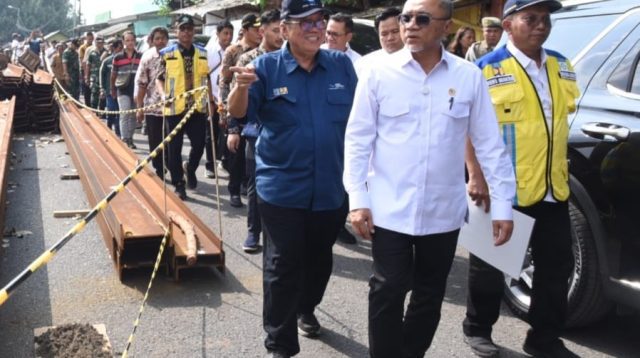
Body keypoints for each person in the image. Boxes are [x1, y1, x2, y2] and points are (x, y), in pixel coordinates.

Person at [343, 0, 517, 356]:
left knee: (429, 294)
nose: (409, 25)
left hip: (443, 212)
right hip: (389, 208)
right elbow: (357, 139)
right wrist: (357, 200)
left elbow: (489, 144)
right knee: (388, 287)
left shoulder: (467, 77)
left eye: (422, 19)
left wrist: (503, 205)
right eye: (406, 17)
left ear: (446, 27)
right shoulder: (378, 72)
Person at [227, 0, 357, 355]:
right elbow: (239, 112)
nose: (316, 29)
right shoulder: (265, 67)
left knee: (319, 262)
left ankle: (306, 307)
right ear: (284, 29)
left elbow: (363, 121)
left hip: (331, 188)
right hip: (281, 187)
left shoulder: (341, 66)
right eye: (305, 23)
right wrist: (239, 87)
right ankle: (280, 343)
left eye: (320, 21)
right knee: (283, 265)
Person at [462, 1, 580, 357]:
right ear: (509, 25)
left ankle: (544, 337)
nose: (540, 26)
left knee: (556, 266)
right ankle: (477, 328)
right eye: (531, 19)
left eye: (545, 20)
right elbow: (466, 128)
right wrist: (475, 176)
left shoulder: (561, 64)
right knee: (489, 264)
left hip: (551, 186)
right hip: (503, 188)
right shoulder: (485, 68)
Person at [226, 9, 284, 253]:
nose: (281, 35)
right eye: (275, 30)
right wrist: (232, 129)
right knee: (255, 183)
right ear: (262, 31)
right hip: (255, 132)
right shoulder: (249, 60)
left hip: (284, 133)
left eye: (283, 30)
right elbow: (234, 98)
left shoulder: (289, 59)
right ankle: (253, 232)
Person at [156, 14, 213, 200]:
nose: (186, 32)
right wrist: (163, 95)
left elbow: (208, 78)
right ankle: (179, 183)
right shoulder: (167, 53)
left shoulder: (203, 53)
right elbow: (159, 77)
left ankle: (191, 167)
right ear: (176, 31)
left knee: (199, 144)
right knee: (174, 149)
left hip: (197, 107)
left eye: (189, 28)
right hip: (174, 107)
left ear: (194, 31)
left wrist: (211, 101)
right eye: (182, 28)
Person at [219, 13, 262, 208]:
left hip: (257, 109)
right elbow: (225, 81)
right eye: (255, 29)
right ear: (244, 30)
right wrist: (227, 114)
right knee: (236, 155)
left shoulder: (264, 51)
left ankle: (247, 183)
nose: (259, 33)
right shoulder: (234, 51)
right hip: (237, 107)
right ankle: (234, 190)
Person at [136, 27, 169, 178]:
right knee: (155, 141)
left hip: (172, 107)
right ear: (152, 40)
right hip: (152, 107)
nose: (160, 41)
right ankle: (159, 168)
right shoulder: (147, 58)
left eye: (163, 38)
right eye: (157, 38)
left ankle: (171, 165)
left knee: (171, 141)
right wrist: (139, 108)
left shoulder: (174, 55)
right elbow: (142, 84)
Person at [204, 20, 234, 179]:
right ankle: (209, 165)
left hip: (228, 100)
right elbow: (205, 77)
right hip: (213, 99)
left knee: (227, 131)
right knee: (211, 133)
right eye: (225, 34)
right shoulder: (209, 51)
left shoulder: (234, 50)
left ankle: (224, 161)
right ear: (217, 34)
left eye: (230, 34)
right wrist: (211, 100)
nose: (228, 37)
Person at [111, 31, 141, 149]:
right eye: (127, 40)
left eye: (132, 40)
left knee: (133, 115)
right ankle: (125, 138)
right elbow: (113, 75)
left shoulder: (140, 56)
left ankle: (130, 138)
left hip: (136, 90)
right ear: (123, 42)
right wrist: (112, 89)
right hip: (122, 89)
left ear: (135, 41)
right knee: (124, 113)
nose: (130, 43)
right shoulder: (117, 57)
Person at [101, 38, 123, 137]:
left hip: (121, 90)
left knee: (120, 112)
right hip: (109, 91)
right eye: (119, 48)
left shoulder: (124, 60)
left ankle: (118, 133)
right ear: (114, 48)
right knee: (111, 111)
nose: (121, 49)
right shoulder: (107, 61)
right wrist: (102, 89)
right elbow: (102, 75)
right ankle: (109, 128)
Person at [86, 35, 107, 109]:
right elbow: (88, 65)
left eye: (101, 43)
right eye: (98, 43)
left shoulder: (106, 52)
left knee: (103, 94)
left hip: (104, 76)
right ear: (95, 43)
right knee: (94, 93)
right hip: (94, 77)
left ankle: (102, 111)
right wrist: (87, 77)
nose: (99, 44)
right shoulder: (92, 53)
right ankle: (94, 110)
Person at [79, 32, 94, 105]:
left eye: (91, 38)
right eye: (89, 38)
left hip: (93, 70)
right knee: (86, 88)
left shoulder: (94, 46)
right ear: (86, 39)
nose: (90, 40)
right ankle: (87, 104)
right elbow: (83, 61)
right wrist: (86, 74)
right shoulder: (82, 48)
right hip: (84, 69)